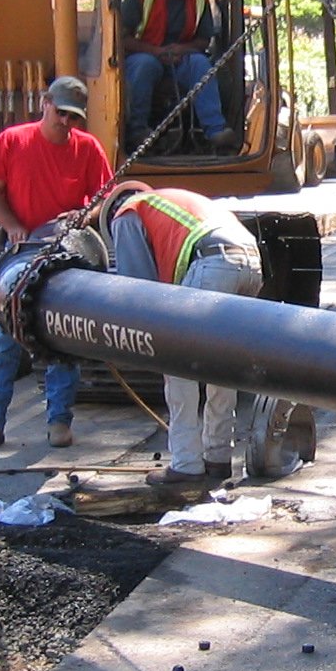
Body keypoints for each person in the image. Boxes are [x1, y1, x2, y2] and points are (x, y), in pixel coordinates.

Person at [0, 75, 110, 454]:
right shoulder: (13, 141)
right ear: (45, 103)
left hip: (65, 257)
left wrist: (84, 215)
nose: (66, 122)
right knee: (5, 340)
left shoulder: (89, 149)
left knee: (62, 339)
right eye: (61, 113)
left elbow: (103, 199)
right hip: (23, 254)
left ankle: (59, 421)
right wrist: (13, 227)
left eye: (73, 118)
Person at [102, 183, 263, 489]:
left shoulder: (128, 212)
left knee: (178, 366)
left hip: (213, 264)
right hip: (250, 262)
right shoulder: (174, 203)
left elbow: (139, 287)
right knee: (222, 365)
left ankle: (186, 465)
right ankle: (217, 459)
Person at [121, 0, 235, 151]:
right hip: (144, 55)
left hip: (180, 58)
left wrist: (182, 49)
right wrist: (155, 51)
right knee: (144, 65)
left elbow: (203, 39)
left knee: (201, 63)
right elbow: (121, 38)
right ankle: (137, 131)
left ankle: (215, 129)